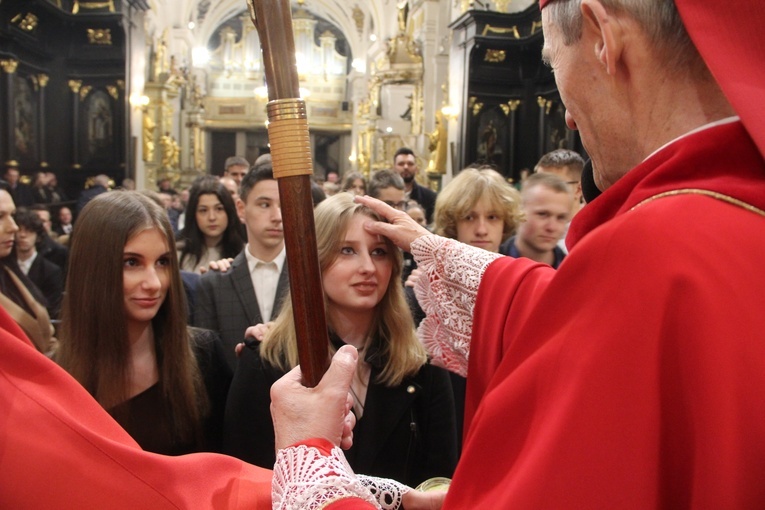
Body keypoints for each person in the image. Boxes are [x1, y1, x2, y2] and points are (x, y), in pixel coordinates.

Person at [263, 0, 765, 507]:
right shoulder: (729, 219)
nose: (566, 113)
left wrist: (309, 456)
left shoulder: (653, 248)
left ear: (600, 33)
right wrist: (443, 255)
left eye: (552, 63)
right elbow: (599, 323)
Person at [224, 193, 458, 488]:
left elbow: (440, 482)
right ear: (314, 262)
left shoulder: (422, 365)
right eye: (347, 250)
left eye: (379, 252)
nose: (368, 268)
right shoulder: (265, 361)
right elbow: (243, 483)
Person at [55, 191, 232, 455]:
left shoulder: (205, 354)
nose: (154, 283)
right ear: (92, 269)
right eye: (131, 262)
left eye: (162, 262)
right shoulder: (56, 379)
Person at [194, 166, 290, 370]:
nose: (277, 216)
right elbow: (207, 367)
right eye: (265, 204)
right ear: (241, 209)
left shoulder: (311, 280)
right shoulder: (214, 283)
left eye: (285, 205)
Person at [0, 182, 54, 353]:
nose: (14, 227)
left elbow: (46, 338)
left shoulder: (8, 271)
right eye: (0, 216)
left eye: (12, 215)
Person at [498, 172, 571, 268]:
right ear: (519, 211)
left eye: (561, 218)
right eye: (543, 214)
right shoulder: (490, 266)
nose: (552, 227)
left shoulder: (575, 273)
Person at [177, 176, 244, 273]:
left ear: (229, 212)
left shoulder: (244, 254)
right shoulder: (177, 254)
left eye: (219, 209)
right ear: (193, 214)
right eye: (203, 210)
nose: (212, 217)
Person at [13, 208, 64, 319]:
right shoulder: (6, 267)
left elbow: (52, 309)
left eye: (29, 231)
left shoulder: (51, 271)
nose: (22, 235)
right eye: (19, 230)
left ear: (38, 236)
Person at [393, 147, 437, 223]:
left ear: (416, 168)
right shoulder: (385, 196)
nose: (406, 167)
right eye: (401, 164)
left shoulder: (430, 198)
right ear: (394, 168)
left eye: (410, 164)